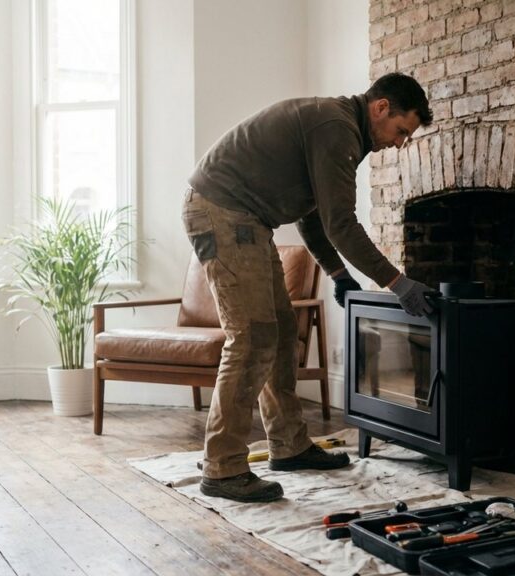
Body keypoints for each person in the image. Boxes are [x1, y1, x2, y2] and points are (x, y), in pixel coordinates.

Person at [182, 73, 436, 503]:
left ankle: (289, 445)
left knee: (282, 331)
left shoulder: (339, 126)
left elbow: (313, 217)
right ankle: (222, 468)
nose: (399, 143)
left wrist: (337, 273)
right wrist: (397, 283)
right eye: (401, 131)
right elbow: (342, 224)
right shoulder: (337, 128)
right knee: (252, 337)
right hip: (222, 211)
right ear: (380, 108)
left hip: (247, 219)